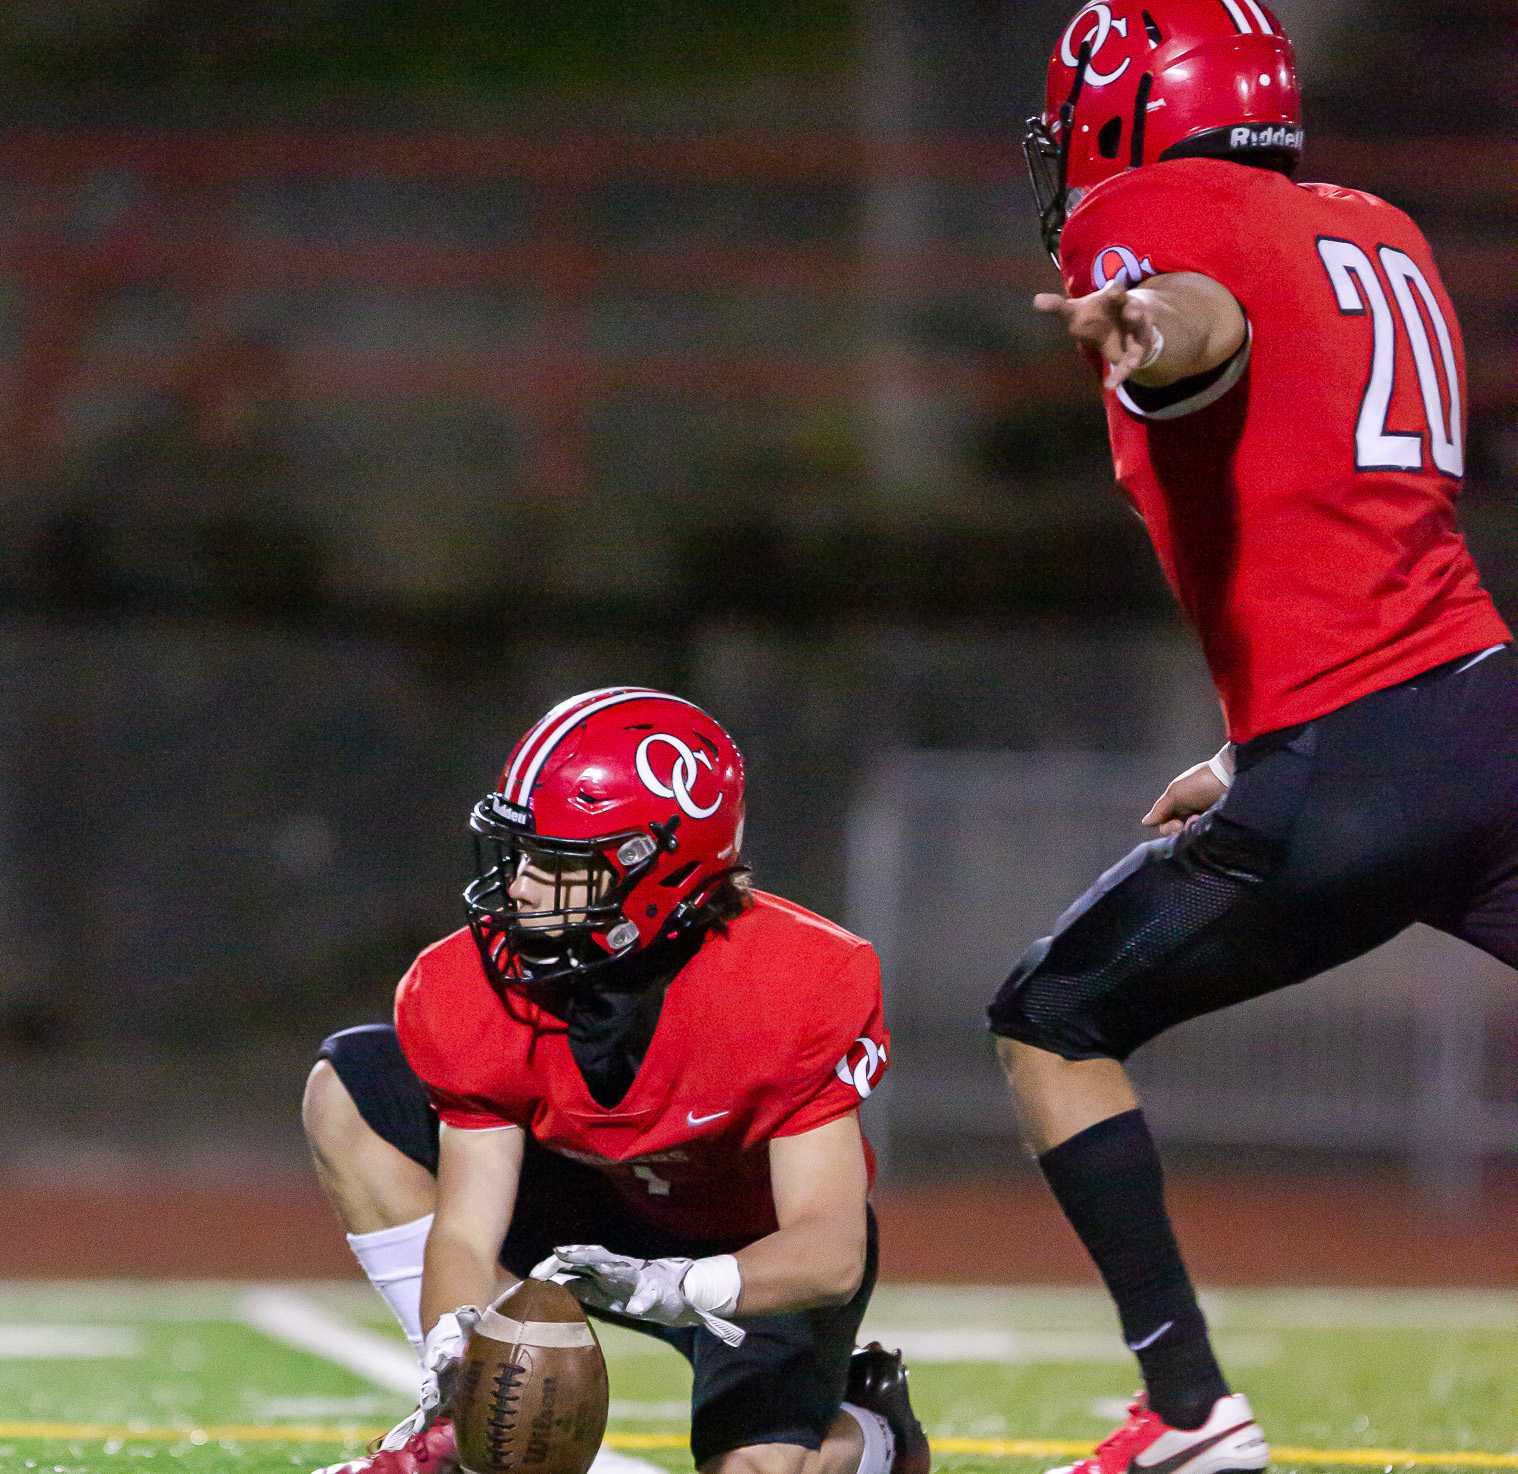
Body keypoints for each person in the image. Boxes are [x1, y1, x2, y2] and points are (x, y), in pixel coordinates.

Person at [989, 3, 1516, 1471]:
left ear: (1117, 108)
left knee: (1050, 1023)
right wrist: (1244, 748)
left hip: (1354, 761)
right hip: (1483, 714)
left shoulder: (1149, 211)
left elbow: (1189, 316)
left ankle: (1183, 1410)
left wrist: (1146, 325)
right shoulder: (1376, 225)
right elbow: (1349, 520)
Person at [302, 686, 930, 1474]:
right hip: (589, 1206)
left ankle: (876, 1434)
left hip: (752, 1250)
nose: (520, 887)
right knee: (354, 1083)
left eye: (554, 862)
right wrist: (456, 1351)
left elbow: (830, 1250)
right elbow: (466, 1228)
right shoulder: (469, 986)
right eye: (521, 855)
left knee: (757, 1471)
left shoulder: (797, 980)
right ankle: (444, 1433)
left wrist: (686, 1286)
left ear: (654, 870)